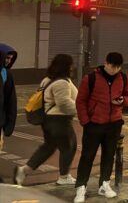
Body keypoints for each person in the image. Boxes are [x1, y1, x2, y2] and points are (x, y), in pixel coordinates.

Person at [74, 52, 128, 203]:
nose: (115, 70)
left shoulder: (123, 78)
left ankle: (104, 184)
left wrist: (122, 101)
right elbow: (80, 101)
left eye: (118, 67)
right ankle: (81, 187)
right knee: (87, 156)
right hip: (94, 124)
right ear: (106, 63)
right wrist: (85, 121)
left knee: (109, 155)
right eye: (113, 66)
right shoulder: (91, 78)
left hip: (114, 123)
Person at [14, 54, 78, 186]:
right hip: (60, 120)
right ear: (67, 66)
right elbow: (64, 103)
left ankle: (23, 170)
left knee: (49, 147)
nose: (73, 67)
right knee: (69, 146)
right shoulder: (62, 82)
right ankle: (64, 176)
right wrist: (81, 109)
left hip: (48, 120)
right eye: (71, 64)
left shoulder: (47, 80)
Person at [0, 44, 18, 172]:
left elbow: (11, 101)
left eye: (11, 58)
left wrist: (9, 124)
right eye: (6, 57)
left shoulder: (6, 74)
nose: (8, 61)